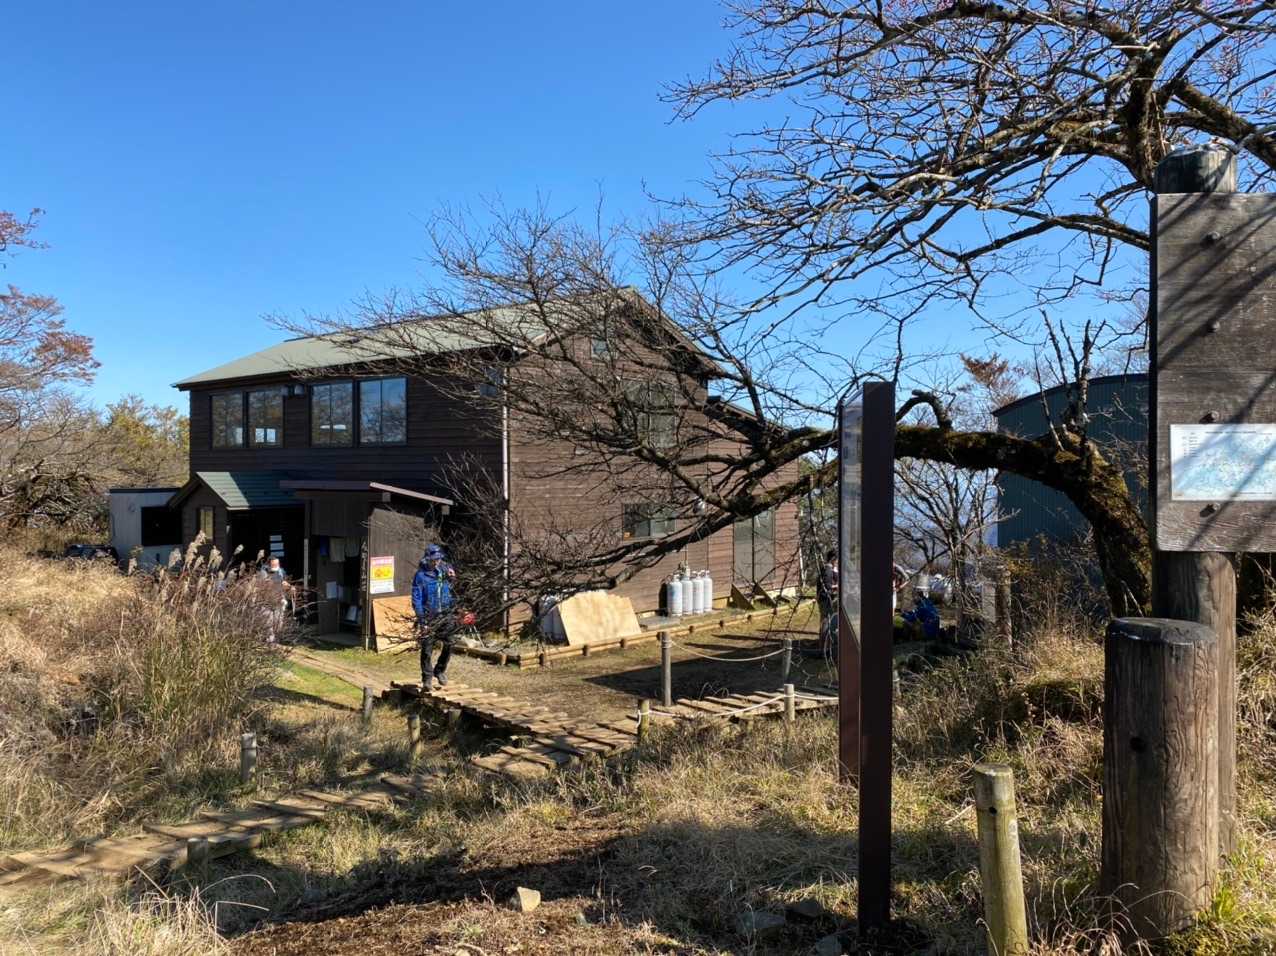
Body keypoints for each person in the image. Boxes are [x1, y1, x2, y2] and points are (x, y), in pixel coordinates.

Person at [412, 543, 458, 689]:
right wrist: (422, 620)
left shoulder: (444, 570)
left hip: (445, 613)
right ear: (427, 559)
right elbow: (416, 599)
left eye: (439, 559)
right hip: (429, 616)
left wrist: (452, 578)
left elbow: (450, 588)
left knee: (450, 643)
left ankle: (440, 670)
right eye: (434, 559)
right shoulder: (420, 576)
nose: (437, 562)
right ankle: (427, 678)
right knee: (427, 649)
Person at [816, 548, 839, 658]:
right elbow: (827, 587)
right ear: (833, 559)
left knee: (824, 622)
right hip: (825, 600)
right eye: (836, 560)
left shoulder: (825, 569)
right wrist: (837, 586)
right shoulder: (827, 570)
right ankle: (824, 649)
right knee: (826, 623)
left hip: (823, 599)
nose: (837, 562)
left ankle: (824, 647)